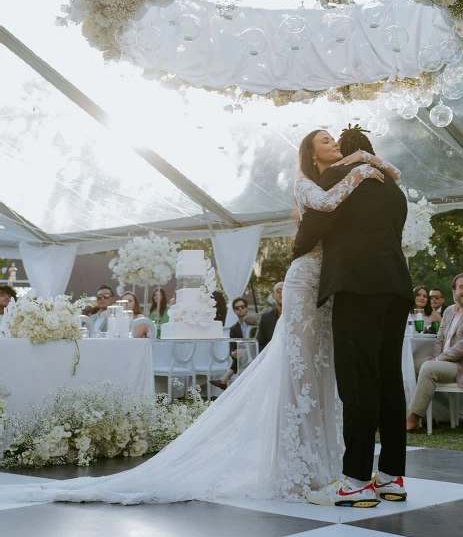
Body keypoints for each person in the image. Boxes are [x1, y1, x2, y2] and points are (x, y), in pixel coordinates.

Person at [0, 127, 398, 507]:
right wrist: (362, 167)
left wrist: (364, 160)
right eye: (325, 141)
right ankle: (297, 465)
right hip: (308, 279)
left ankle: (329, 463)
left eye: (334, 140)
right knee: (299, 369)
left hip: (332, 287)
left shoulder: (352, 180)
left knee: (324, 371)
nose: (333, 143)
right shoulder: (313, 184)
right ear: (310, 155)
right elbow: (321, 216)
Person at [292, 125, 412, 507]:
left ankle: (356, 481)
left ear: (347, 152)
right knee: (389, 380)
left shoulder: (335, 176)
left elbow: (312, 229)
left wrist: (298, 249)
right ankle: (392, 477)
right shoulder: (394, 188)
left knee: (358, 384)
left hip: (357, 288)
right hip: (396, 287)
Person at [406, 274, 463, 432]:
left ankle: (412, 419)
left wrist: (437, 360)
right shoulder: (449, 311)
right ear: (453, 291)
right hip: (447, 363)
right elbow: (440, 340)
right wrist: (435, 358)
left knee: (429, 368)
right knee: (413, 363)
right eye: (462, 288)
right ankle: (424, 415)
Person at [210, 297, 250, 390]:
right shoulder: (233, 329)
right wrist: (233, 353)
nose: (240, 309)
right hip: (241, 358)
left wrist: (246, 351)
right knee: (238, 355)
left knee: (242, 354)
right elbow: (232, 347)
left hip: (256, 352)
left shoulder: (255, 323)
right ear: (234, 311)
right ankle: (226, 381)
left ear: (246, 308)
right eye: (237, 308)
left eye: (242, 307)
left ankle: (224, 379)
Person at [256, 283, 283, 352]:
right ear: (273, 296)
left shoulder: (297, 317)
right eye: (279, 291)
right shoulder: (266, 317)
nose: (282, 293)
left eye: (285, 290)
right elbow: (260, 343)